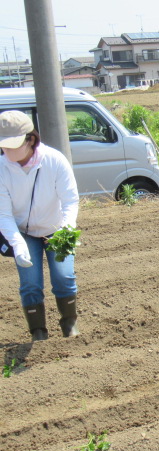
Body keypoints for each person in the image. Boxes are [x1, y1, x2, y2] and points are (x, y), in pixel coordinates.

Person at [0, 110, 80, 341]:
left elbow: (70, 200)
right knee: (30, 283)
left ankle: (69, 324)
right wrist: (17, 244)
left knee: (64, 277)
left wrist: (66, 228)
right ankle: (38, 332)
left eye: (12, 145)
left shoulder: (54, 160)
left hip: (56, 228)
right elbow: (3, 214)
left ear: (30, 139)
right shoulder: (2, 168)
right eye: (3, 145)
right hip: (23, 232)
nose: (7, 151)